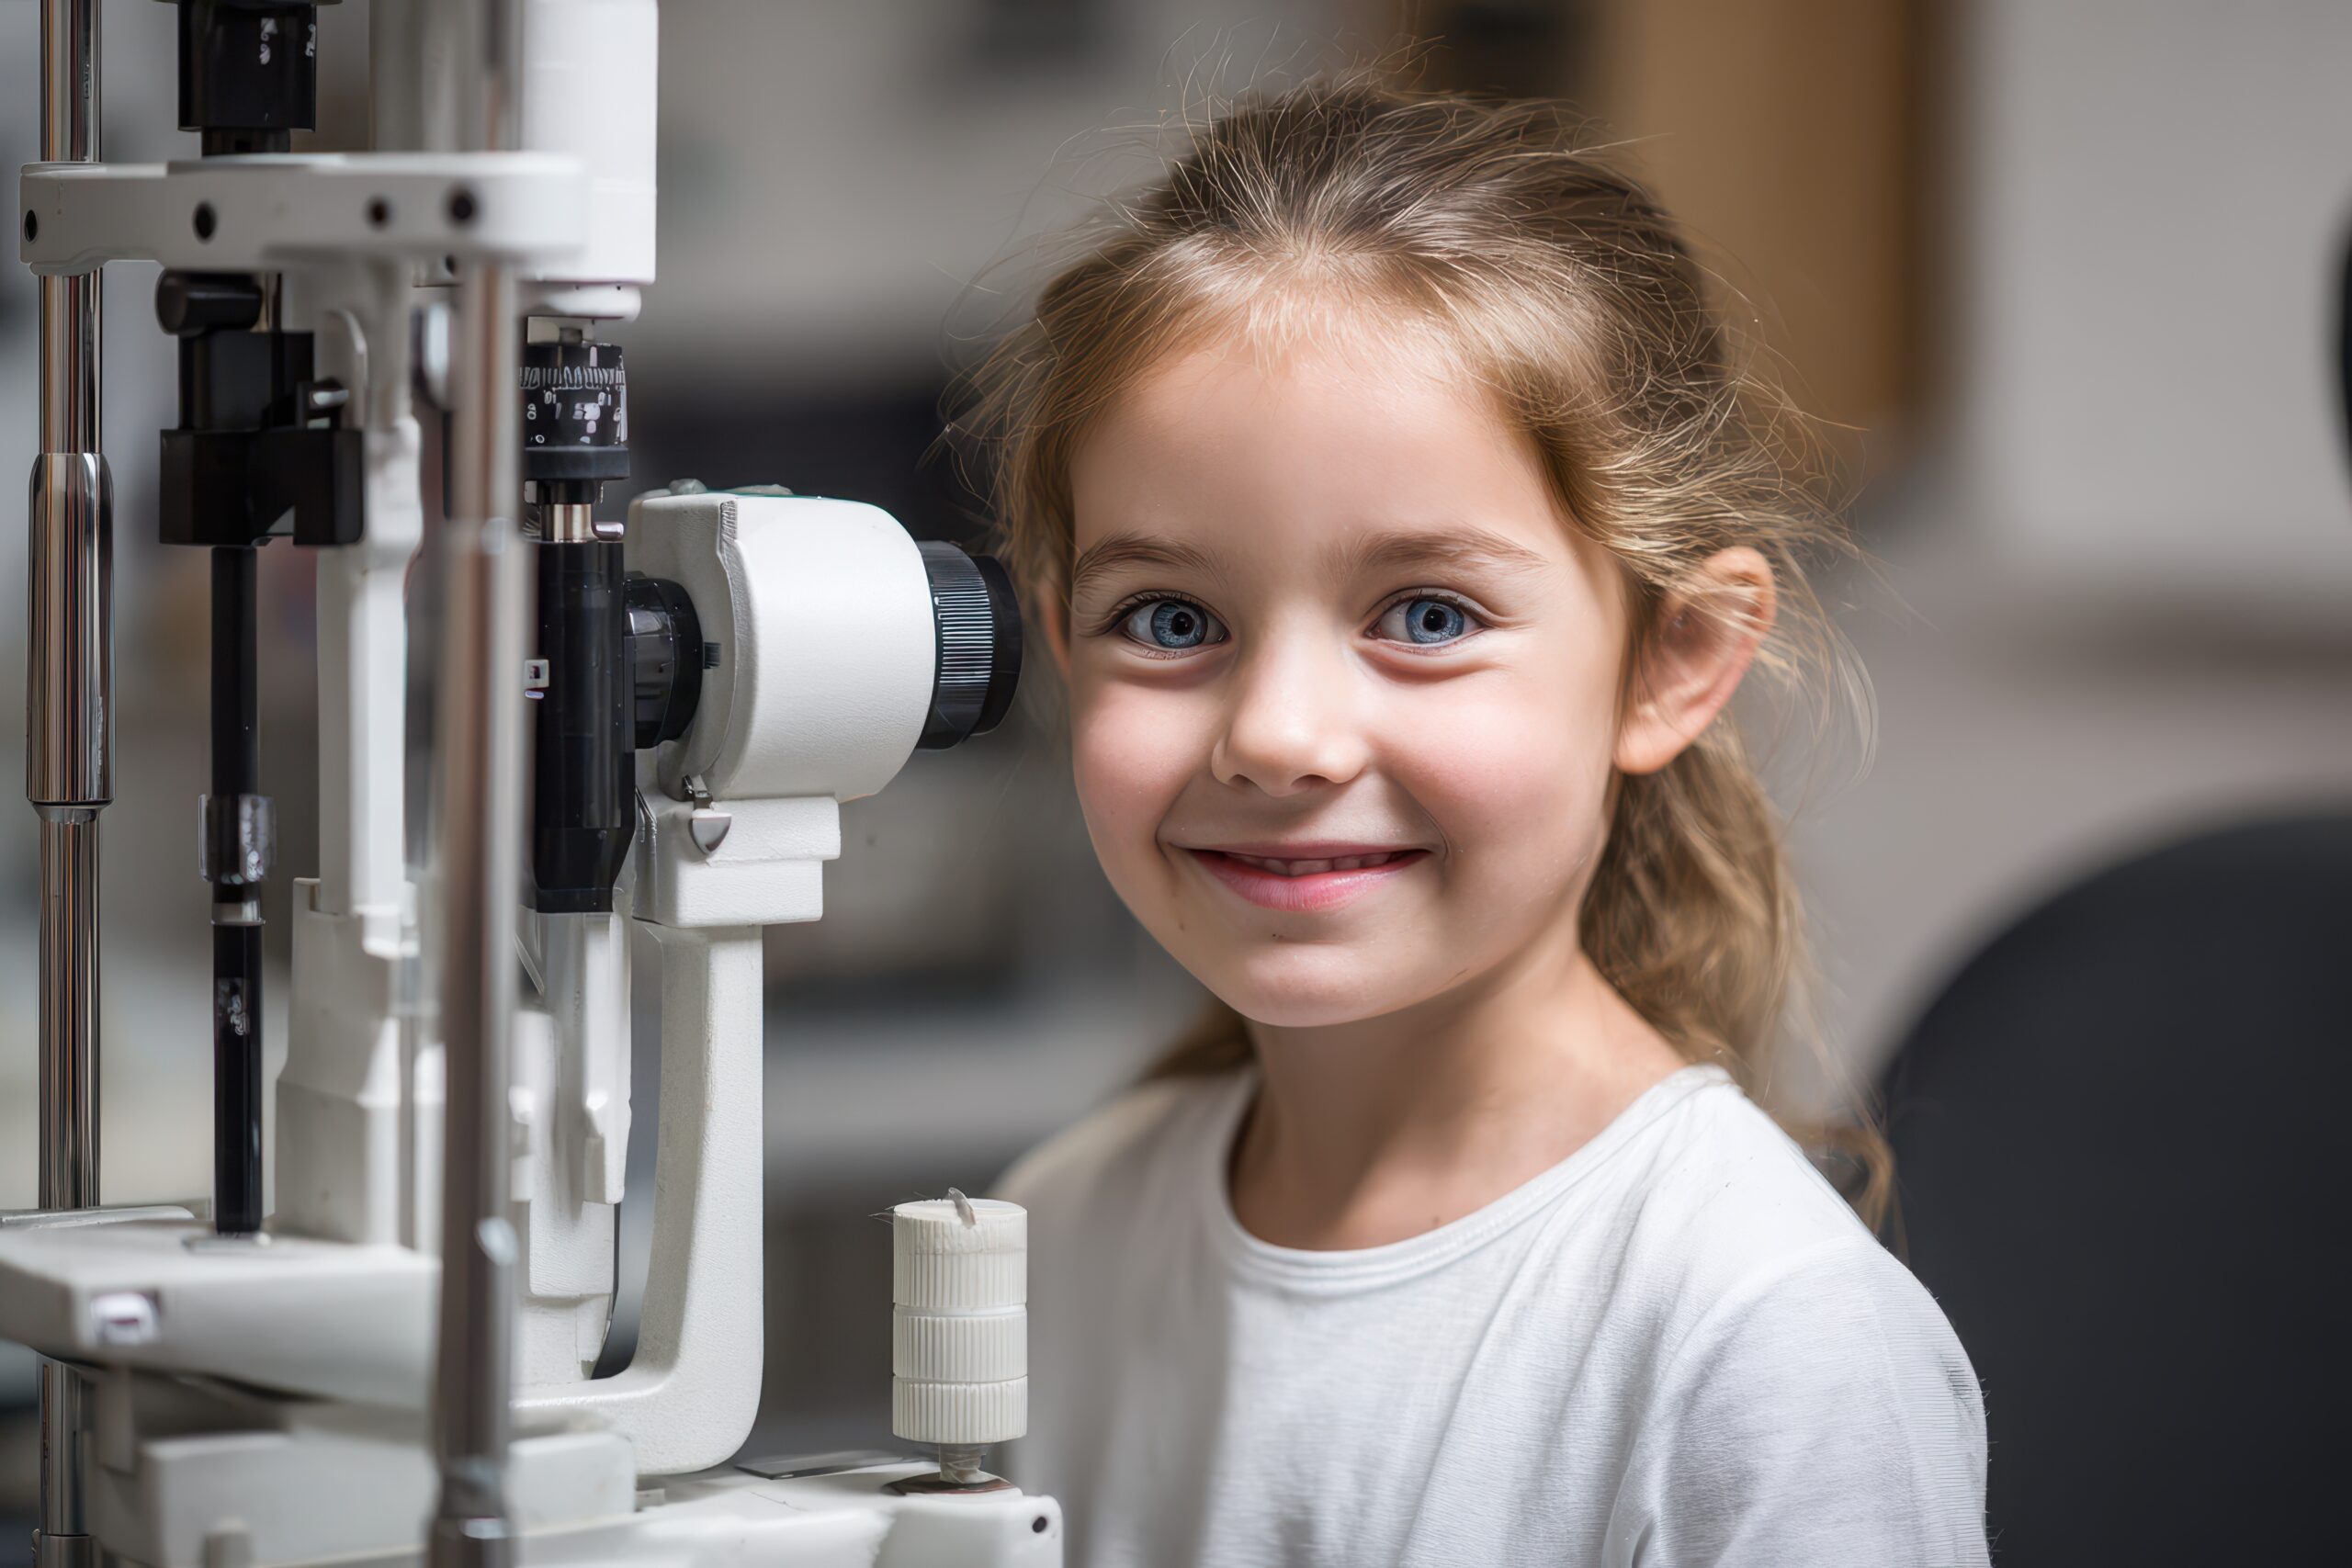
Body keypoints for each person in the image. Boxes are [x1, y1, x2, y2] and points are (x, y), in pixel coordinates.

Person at [959, 73, 1988, 1568]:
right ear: (1062, 646)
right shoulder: (1063, 1230)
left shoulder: (1760, 1336)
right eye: (1170, 617)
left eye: (1426, 614)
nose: (1278, 735)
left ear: (1671, 660)